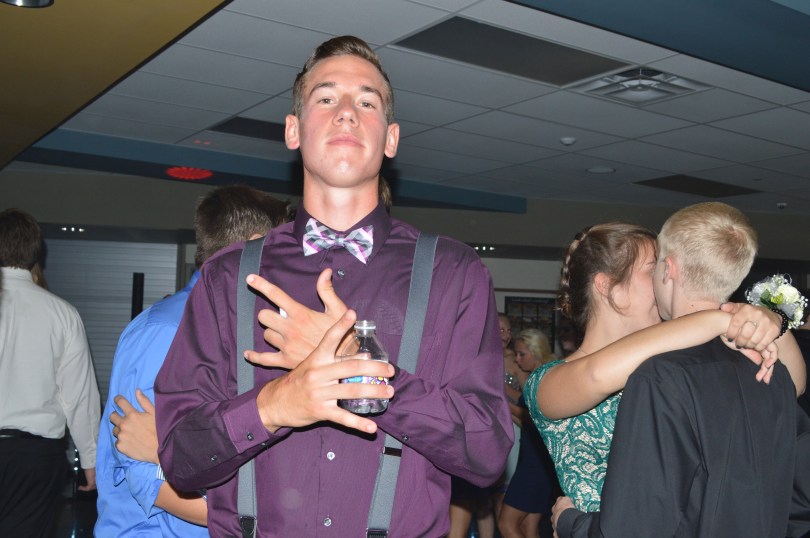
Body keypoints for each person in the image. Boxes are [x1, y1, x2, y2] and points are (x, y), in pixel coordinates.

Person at [154, 36, 513, 537]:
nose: (346, 112)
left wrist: (357, 368)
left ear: (390, 139)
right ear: (293, 130)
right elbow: (180, 460)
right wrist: (275, 405)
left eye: (367, 102)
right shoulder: (228, 277)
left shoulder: (454, 273)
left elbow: (488, 451)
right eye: (326, 98)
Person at [551, 202, 810, 537]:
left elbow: (636, 526)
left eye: (656, 264)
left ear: (668, 270)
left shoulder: (661, 375)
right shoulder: (767, 372)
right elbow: (799, 495)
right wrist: (739, 318)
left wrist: (571, 523)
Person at [94, 185, 288, 536]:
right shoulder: (166, 330)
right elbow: (147, 474)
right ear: (254, 245)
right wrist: (267, 519)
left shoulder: (242, 326)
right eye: (283, 246)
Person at [0, 208, 101, 537]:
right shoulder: (63, 314)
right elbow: (80, 396)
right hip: (35, 459)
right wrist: (91, 460)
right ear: (35, 251)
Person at [499, 329, 559, 538]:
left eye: (521, 354)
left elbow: (537, 420)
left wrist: (504, 405)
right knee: (528, 527)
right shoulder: (544, 375)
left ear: (536, 352)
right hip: (538, 459)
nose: (517, 359)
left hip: (535, 463)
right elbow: (528, 423)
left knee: (506, 524)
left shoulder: (544, 377)